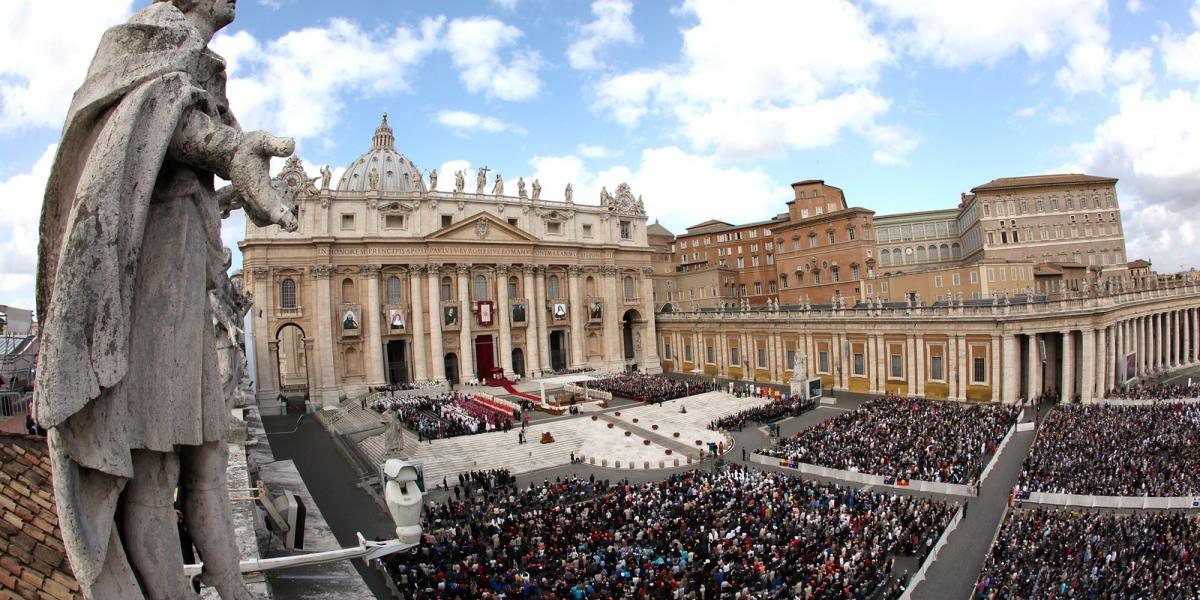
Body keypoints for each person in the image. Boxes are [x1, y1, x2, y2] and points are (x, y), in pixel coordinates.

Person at [33, 0, 296, 597]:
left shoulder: (204, 62)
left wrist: (239, 183)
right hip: (152, 295)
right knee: (154, 478)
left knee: (205, 467)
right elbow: (149, 122)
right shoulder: (148, 36)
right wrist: (227, 150)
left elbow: (197, 160)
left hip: (187, 277)